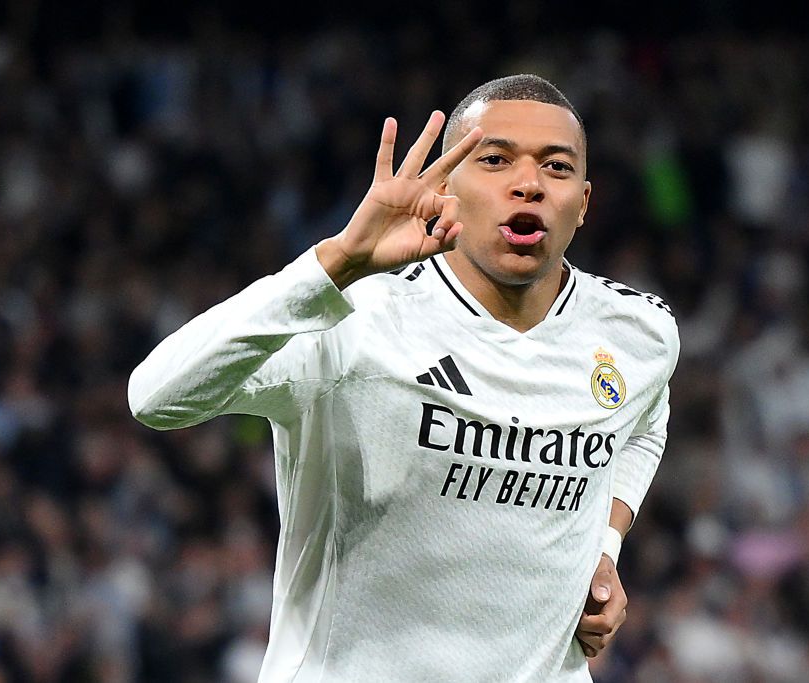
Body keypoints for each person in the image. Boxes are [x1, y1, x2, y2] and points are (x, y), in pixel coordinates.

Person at [129, 74, 678, 682]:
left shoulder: (638, 333)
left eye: (556, 167)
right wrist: (335, 263)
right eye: (494, 160)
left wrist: (604, 548)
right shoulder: (352, 322)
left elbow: (643, 426)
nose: (528, 184)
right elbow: (156, 396)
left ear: (583, 202)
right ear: (444, 187)